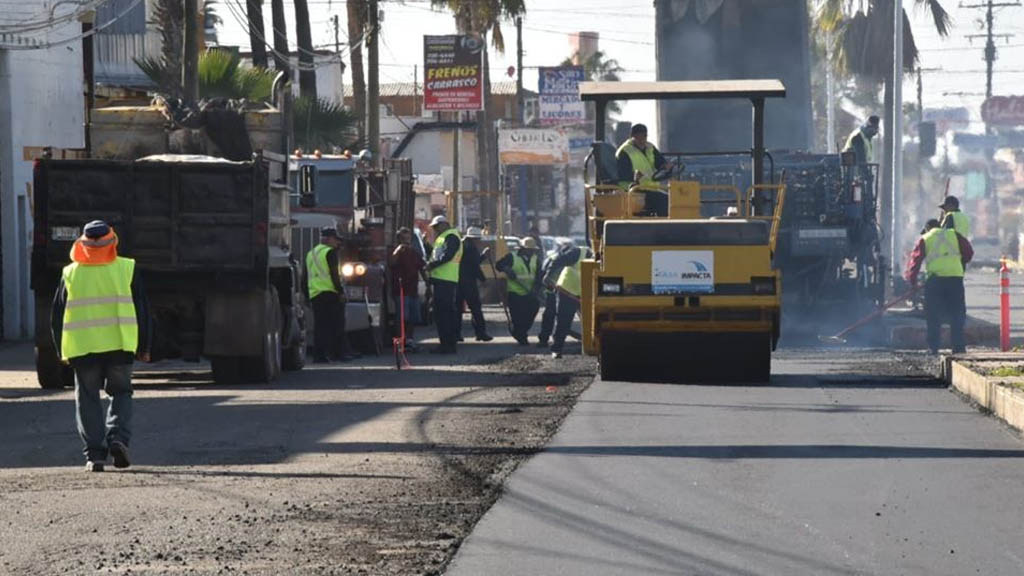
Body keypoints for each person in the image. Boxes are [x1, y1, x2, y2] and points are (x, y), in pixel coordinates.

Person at [51, 220, 151, 472]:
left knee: (87, 398)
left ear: (81, 245)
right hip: (119, 344)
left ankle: (95, 455)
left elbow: (57, 315)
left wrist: (59, 350)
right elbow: (142, 309)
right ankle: (118, 438)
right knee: (121, 392)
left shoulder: (70, 273)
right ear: (112, 242)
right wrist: (145, 345)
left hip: (83, 347)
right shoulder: (127, 268)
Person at [905, 216, 974, 354]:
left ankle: (934, 347)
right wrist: (959, 264)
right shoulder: (954, 234)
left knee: (933, 315)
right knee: (957, 315)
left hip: (935, 281)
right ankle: (959, 348)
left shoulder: (925, 238)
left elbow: (915, 262)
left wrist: (912, 282)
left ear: (927, 228)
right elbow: (968, 253)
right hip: (955, 279)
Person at [305, 227, 353, 363]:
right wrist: (341, 292)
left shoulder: (311, 253)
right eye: (336, 239)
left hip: (315, 294)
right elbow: (334, 275)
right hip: (330, 293)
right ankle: (339, 353)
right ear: (329, 239)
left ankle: (319, 356)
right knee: (337, 325)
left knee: (320, 327)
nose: (337, 243)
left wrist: (306, 294)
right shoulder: (330, 252)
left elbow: (305, 276)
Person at [616, 124, 671, 216]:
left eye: (644, 136)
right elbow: (622, 173)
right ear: (632, 137)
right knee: (664, 200)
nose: (642, 140)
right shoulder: (624, 151)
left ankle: (666, 225)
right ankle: (664, 226)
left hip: (650, 188)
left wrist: (666, 166)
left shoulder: (650, 147)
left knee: (671, 198)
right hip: (632, 190)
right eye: (638, 137)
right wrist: (634, 176)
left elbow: (660, 162)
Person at [390, 227, 430, 352]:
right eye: (403, 239)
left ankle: (410, 340)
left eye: (408, 239)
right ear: (398, 240)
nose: (406, 242)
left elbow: (422, 268)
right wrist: (398, 250)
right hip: (401, 290)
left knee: (413, 317)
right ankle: (399, 342)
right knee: (402, 317)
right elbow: (391, 263)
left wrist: (428, 284)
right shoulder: (394, 251)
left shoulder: (414, 252)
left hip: (413, 290)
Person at [426, 215, 463, 354]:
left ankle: (448, 344)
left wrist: (432, 265)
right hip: (442, 280)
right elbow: (438, 254)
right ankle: (446, 343)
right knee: (441, 314)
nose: (435, 229)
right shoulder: (444, 237)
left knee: (445, 314)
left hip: (446, 281)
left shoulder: (451, 236)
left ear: (444, 224)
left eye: (436, 226)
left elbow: (447, 256)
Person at [496, 237, 542, 345]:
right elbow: (499, 265)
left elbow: (539, 277)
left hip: (529, 292)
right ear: (522, 249)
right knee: (517, 317)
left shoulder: (536, 259)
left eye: (533, 250)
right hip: (514, 292)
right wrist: (507, 269)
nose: (531, 252)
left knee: (534, 308)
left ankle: (520, 332)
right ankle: (521, 336)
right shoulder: (512, 257)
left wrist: (535, 289)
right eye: (529, 250)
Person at [543, 242, 583, 359]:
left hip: (586, 293)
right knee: (563, 321)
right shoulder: (578, 252)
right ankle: (556, 349)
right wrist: (548, 275)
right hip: (568, 291)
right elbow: (558, 260)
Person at [456, 226, 493, 342]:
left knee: (457, 310)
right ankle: (480, 333)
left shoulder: (461, 245)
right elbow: (474, 266)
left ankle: (456, 334)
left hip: (457, 281)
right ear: (474, 239)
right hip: (468, 283)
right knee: (476, 308)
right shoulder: (471, 248)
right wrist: (484, 279)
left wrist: (483, 256)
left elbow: (472, 263)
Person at [535, 239, 571, 348]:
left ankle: (554, 340)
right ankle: (546, 339)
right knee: (552, 315)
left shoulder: (566, 258)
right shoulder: (555, 258)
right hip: (554, 291)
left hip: (564, 291)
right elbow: (543, 275)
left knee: (558, 316)